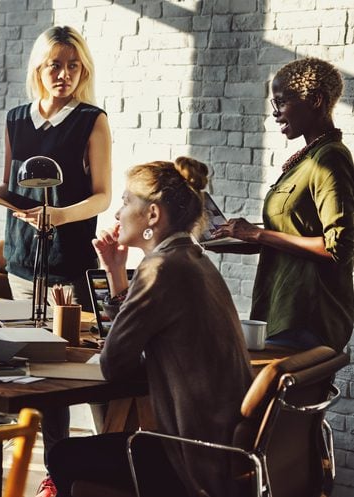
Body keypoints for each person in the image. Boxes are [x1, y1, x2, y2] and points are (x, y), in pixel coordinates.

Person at [47, 157, 253, 497]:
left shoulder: (160, 268)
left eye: (127, 201)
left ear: (153, 215)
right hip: (223, 448)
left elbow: (113, 364)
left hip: (191, 458)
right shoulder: (194, 259)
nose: (117, 213)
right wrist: (115, 273)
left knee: (63, 455)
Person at [0, 26, 111, 495]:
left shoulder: (91, 120)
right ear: (39, 67)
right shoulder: (16, 118)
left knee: (61, 368)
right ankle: (36, 465)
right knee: (30, 367)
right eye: (55, 64)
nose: (65, 74)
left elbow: (101, 198)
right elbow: (21, 193)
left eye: (74, 65)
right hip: (20, 256)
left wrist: (58, 215)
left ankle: (64, 472)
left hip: (68, 257)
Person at [212, 57, 354, 352]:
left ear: (314, 100)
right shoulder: (307, 159)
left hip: (307, 316)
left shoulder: (330, 158)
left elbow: (337, 246)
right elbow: (295, 232)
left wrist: (258, 234)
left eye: (281, 102)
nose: (275, 114)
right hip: (282, 310)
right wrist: (233, 237)